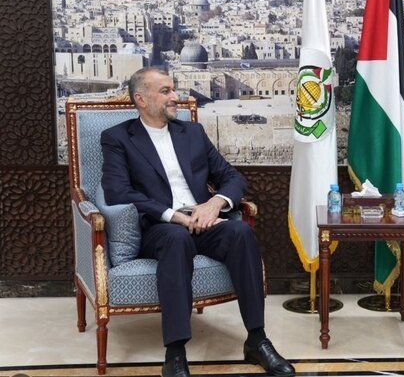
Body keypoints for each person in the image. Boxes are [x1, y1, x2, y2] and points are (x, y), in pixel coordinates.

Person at [101, 68, 295, 377]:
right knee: (177, 239)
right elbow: (117, 191)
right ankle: (175, 353)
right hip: (160, 227)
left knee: (241, 231)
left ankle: (257, 340)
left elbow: (231, 177)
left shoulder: (192, 133)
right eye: (165, 91)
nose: (175, 96)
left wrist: (214, 204)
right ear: (141, 99)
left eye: (173, 89)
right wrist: (175, 216)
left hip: (203, 220)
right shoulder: (118, 138)